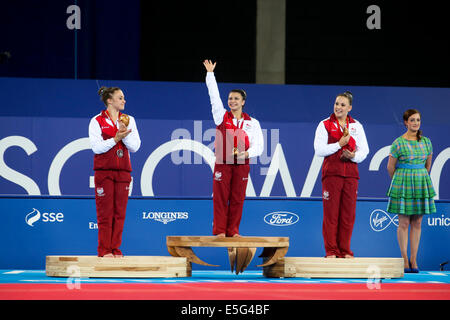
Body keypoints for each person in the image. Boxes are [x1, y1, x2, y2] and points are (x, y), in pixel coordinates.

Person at [203, 60, 264, 237]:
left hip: (242, 164)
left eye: (236, 98)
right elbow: (214, 96)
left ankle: (233, 230)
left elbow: (259, 146)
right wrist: (210, 74)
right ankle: (220, 230)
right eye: (230, 98)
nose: (232, 101)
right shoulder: (221, 116)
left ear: (243, 102)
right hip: (223, 162)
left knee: (238, 199)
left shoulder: (253, 123)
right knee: (220, 198)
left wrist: (246, 153)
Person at [314, 91, 369, 258]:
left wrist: (354, 156)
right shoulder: (324, 124)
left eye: (343, 105)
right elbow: (319, 150)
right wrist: (339, 144)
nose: (338, 107)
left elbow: (364, 150)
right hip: (332, 174)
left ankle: (345, 250)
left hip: (351, 175)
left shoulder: (356, 126)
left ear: (349, 108)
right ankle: (331, 251)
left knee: (348, 215)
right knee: (331, 215)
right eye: (337, 103)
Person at [88, 86, 141, 257]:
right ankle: (104, 250)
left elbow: (135, 147)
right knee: (105, 213)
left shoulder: (129, 119)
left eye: (124, 97)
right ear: (109, 100)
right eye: (120, 98)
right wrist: (115, 139)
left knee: (119, 214)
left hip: (123, 172)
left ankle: (115, 249)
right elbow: (96, 148)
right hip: (104, 172)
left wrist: (124, 136)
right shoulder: (96, 121)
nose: (124, 100)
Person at [386, 109, 436, 273]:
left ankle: (414, 260)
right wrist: (400, 182)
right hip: (402, 184)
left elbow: (428, 166)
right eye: (412, 120)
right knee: (404, 223)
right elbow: (390, 167)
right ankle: (404, 259)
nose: (416, 123)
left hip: (421, 182)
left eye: (418, 120)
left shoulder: (427, 142)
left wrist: (419, 177)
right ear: (406, 122)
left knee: (417, 222)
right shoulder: (398, 143)